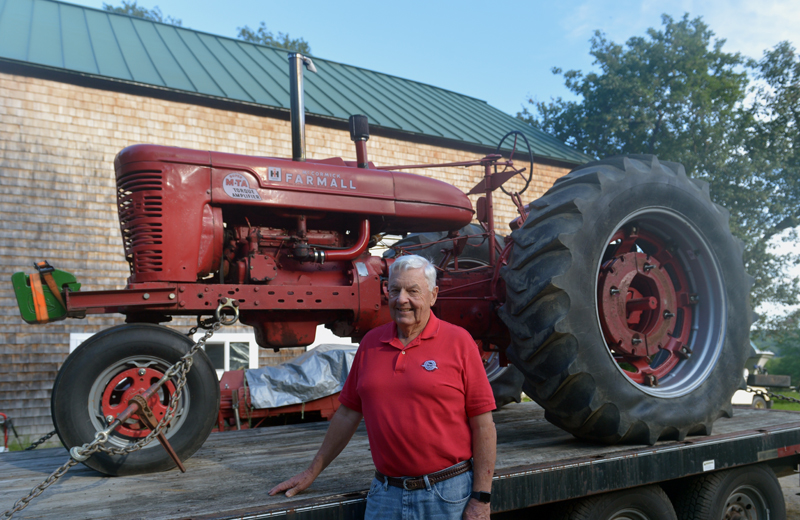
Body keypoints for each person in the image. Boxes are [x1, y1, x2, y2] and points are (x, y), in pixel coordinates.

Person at [269, 254, 497, 520]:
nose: (402, 299)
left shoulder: (459, 342)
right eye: (395, 289)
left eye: (413, 291)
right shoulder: (371, 343)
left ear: (433, 295)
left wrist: (481, 498)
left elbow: (483, 425)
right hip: (385, 496)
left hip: (446, 496)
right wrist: (312, 471)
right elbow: (347, 414)